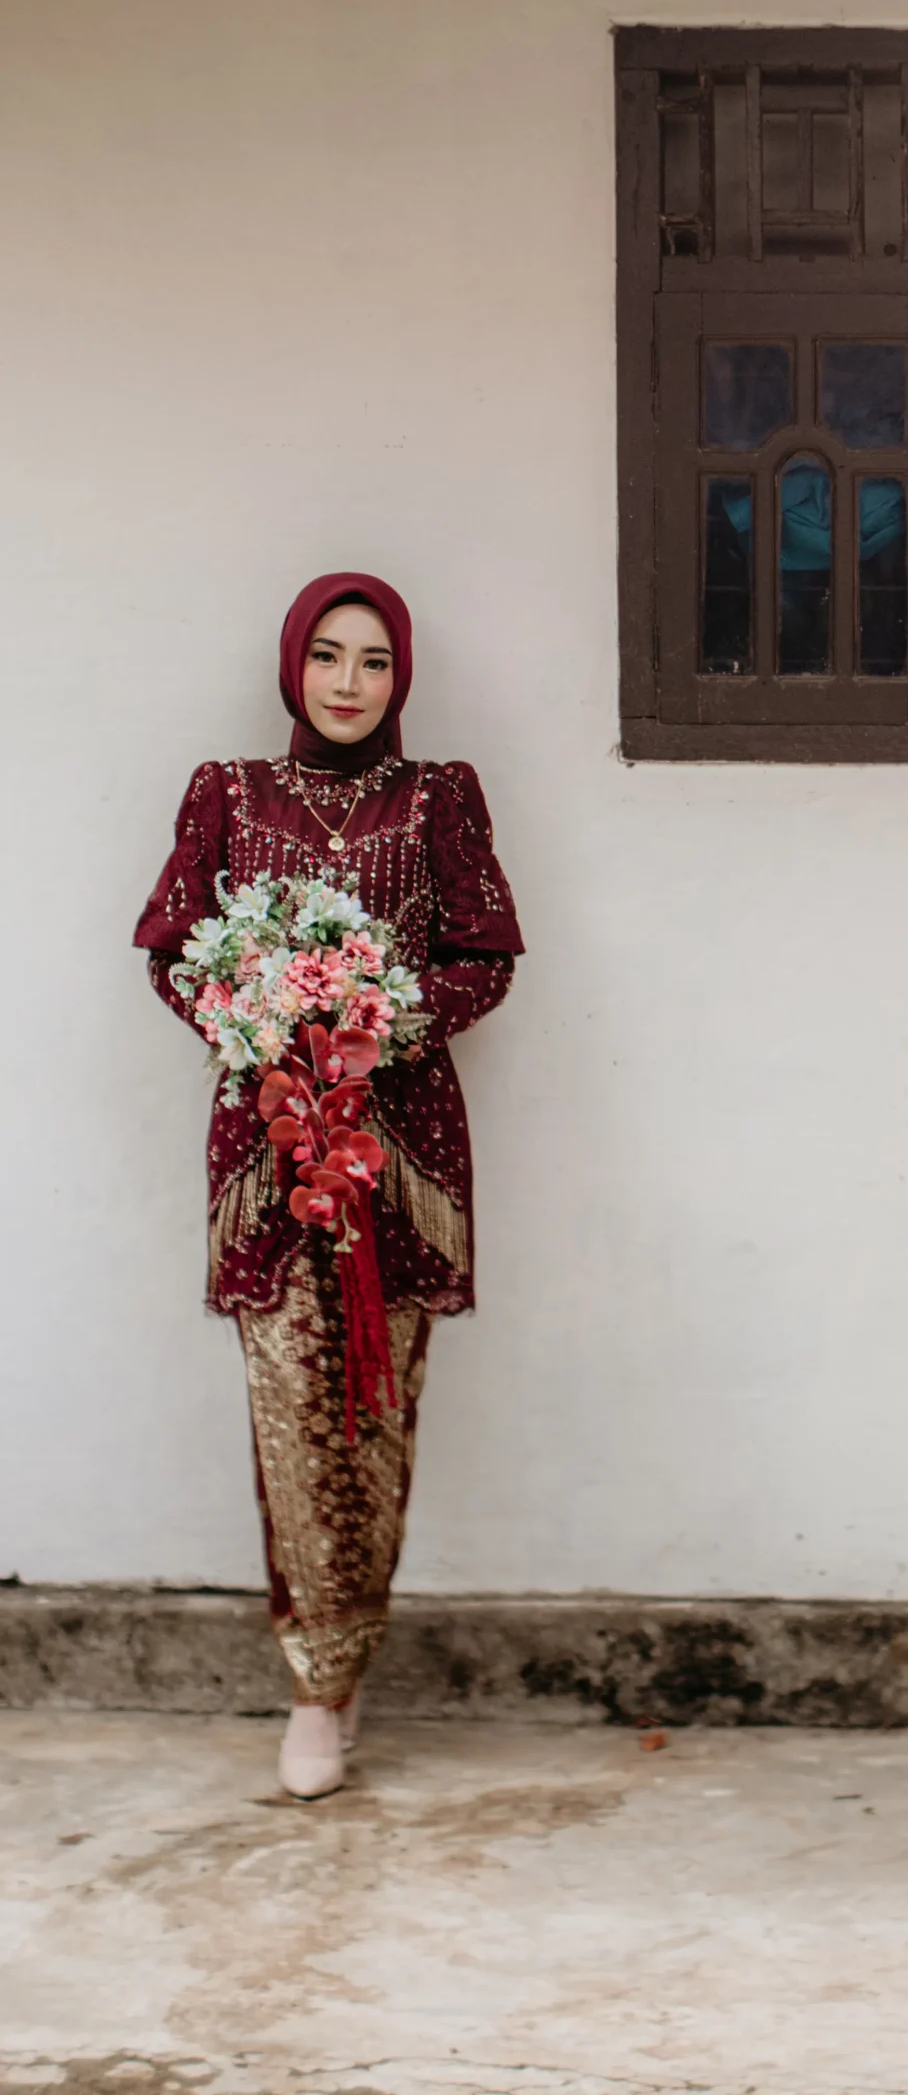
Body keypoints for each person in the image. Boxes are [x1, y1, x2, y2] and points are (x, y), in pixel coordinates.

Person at [135, 574, 522, 1800]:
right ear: (292, 664)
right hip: (270, 1152)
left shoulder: (440, 795)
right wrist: (263, 1019)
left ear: (399, 676)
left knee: (374, 1414)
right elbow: (172, 952)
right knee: (295, 1412)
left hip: (400, 1154)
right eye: (327, 656)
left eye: (373, 661)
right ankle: (314, 1684)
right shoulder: (228, 792)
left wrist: (377, 1015)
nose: (348, 683)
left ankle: (351, 1663)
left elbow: (485, 957)